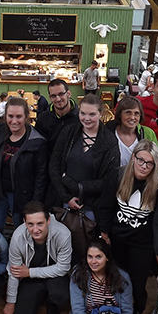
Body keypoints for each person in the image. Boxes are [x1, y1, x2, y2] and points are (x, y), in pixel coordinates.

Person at [99, 140, 158, 314]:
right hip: (117, 237)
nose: (143, 166)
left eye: (149, 163)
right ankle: (117, 304)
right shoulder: (118, 175)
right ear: (133, 157)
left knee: (137, 280)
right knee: (116, 275)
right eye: (140, 160)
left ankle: (138, 305)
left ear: (155, 165)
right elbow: (105, 206)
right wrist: (104, 232)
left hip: (142, 242)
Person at [49, 94, 119, 223]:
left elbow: (109, 179)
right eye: (83, 113)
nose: (86, 118)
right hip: (63, 203)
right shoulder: (68, 132)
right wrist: (66, 197)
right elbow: (54, 166)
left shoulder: (109, 141)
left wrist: (77, 187)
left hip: (92, 208)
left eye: (92, 114)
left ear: (101, 114)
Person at [4, 201, 73, 314]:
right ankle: (38, 295)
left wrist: (30, 272)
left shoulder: (63, 234)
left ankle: (50, 301)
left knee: (61, 295)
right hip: (30, 279)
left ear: (48, 220)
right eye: (30, 224)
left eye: (40, 224)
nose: (35, 230)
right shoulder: (18, 237)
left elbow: (63, 268)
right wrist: (10, 302)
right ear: (24, 222)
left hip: (53, 276)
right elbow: (14, 271)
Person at [66, 239, 138, 314]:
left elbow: (127, 313)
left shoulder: (122, 278)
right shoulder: (78, 275)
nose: (93, 261)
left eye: (98, 257)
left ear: (107, 258)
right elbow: (77, 310)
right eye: (90, 257)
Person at [0, 96, 48, 232]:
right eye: (10, 116)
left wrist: (35, 204)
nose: (14, 121)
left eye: (18, 116)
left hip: (23, 196)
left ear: (26, 117)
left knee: (23, 232)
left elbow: (41, 176)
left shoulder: (37, 142)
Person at [104, 95, 158, 166]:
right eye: (128, 112)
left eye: (136, 113)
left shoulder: (148, 133)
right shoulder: (107, 132)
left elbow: (157, 161)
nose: (132, 117)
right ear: (120, 114)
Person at [35, 79, 79, 156]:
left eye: (61, 94)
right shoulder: (43, 119)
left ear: (68, 94)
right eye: (53, 96)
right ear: (50, 98)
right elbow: (39, 148)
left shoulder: (81, 118)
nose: (58, 99)